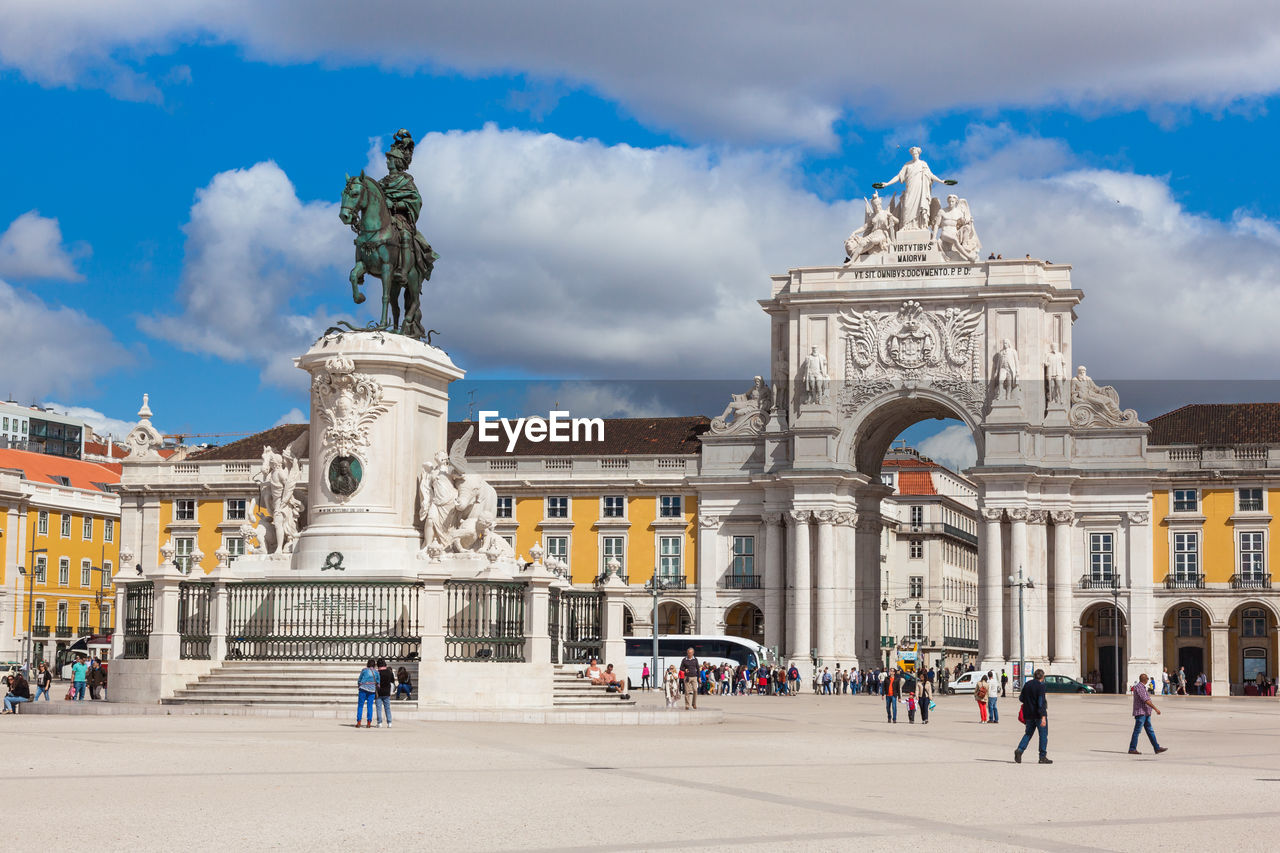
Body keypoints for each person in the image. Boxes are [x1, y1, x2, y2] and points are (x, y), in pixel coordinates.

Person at [1014, 669, 1051, 764]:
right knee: (1043, 735)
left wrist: (1029, 703)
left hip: (1028, 714)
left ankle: (1020, 750)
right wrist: (1043, 716)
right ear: (1042, 677)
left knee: (1028, 734)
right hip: (1038, 715)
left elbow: (1021, 698)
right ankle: (1042, 757)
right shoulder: (1041, 686)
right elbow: (1041, 702)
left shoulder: (1027, 684)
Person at [1129, 673, 1168, 755]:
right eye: (1147, 678)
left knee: (1150, 731)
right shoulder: (1140, 687)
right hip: (1141, 713)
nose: (1147, 680)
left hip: (1145, 713)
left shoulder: (1142, 687)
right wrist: (1155, 708)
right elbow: (1145, 700)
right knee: (1137, 731)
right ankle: (1132, 748)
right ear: (1144, 679)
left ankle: (1157, 748)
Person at [356, 658, 379, 728]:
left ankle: (359, 721)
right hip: (372, 690)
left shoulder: (364, 670)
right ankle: (369, 722)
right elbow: (378, 682)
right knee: (370, 706)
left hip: (363, 688)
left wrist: (359, 685)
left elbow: (359, 679)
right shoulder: (376, 672)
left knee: (360, 706)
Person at [374, 658, 393, 728]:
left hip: (379, 692)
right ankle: (389, 722)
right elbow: (392, 681)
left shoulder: (377, 672)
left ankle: (379, 723)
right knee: (387, 708)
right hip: (387, 691)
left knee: (379, 708)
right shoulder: (389, 672)